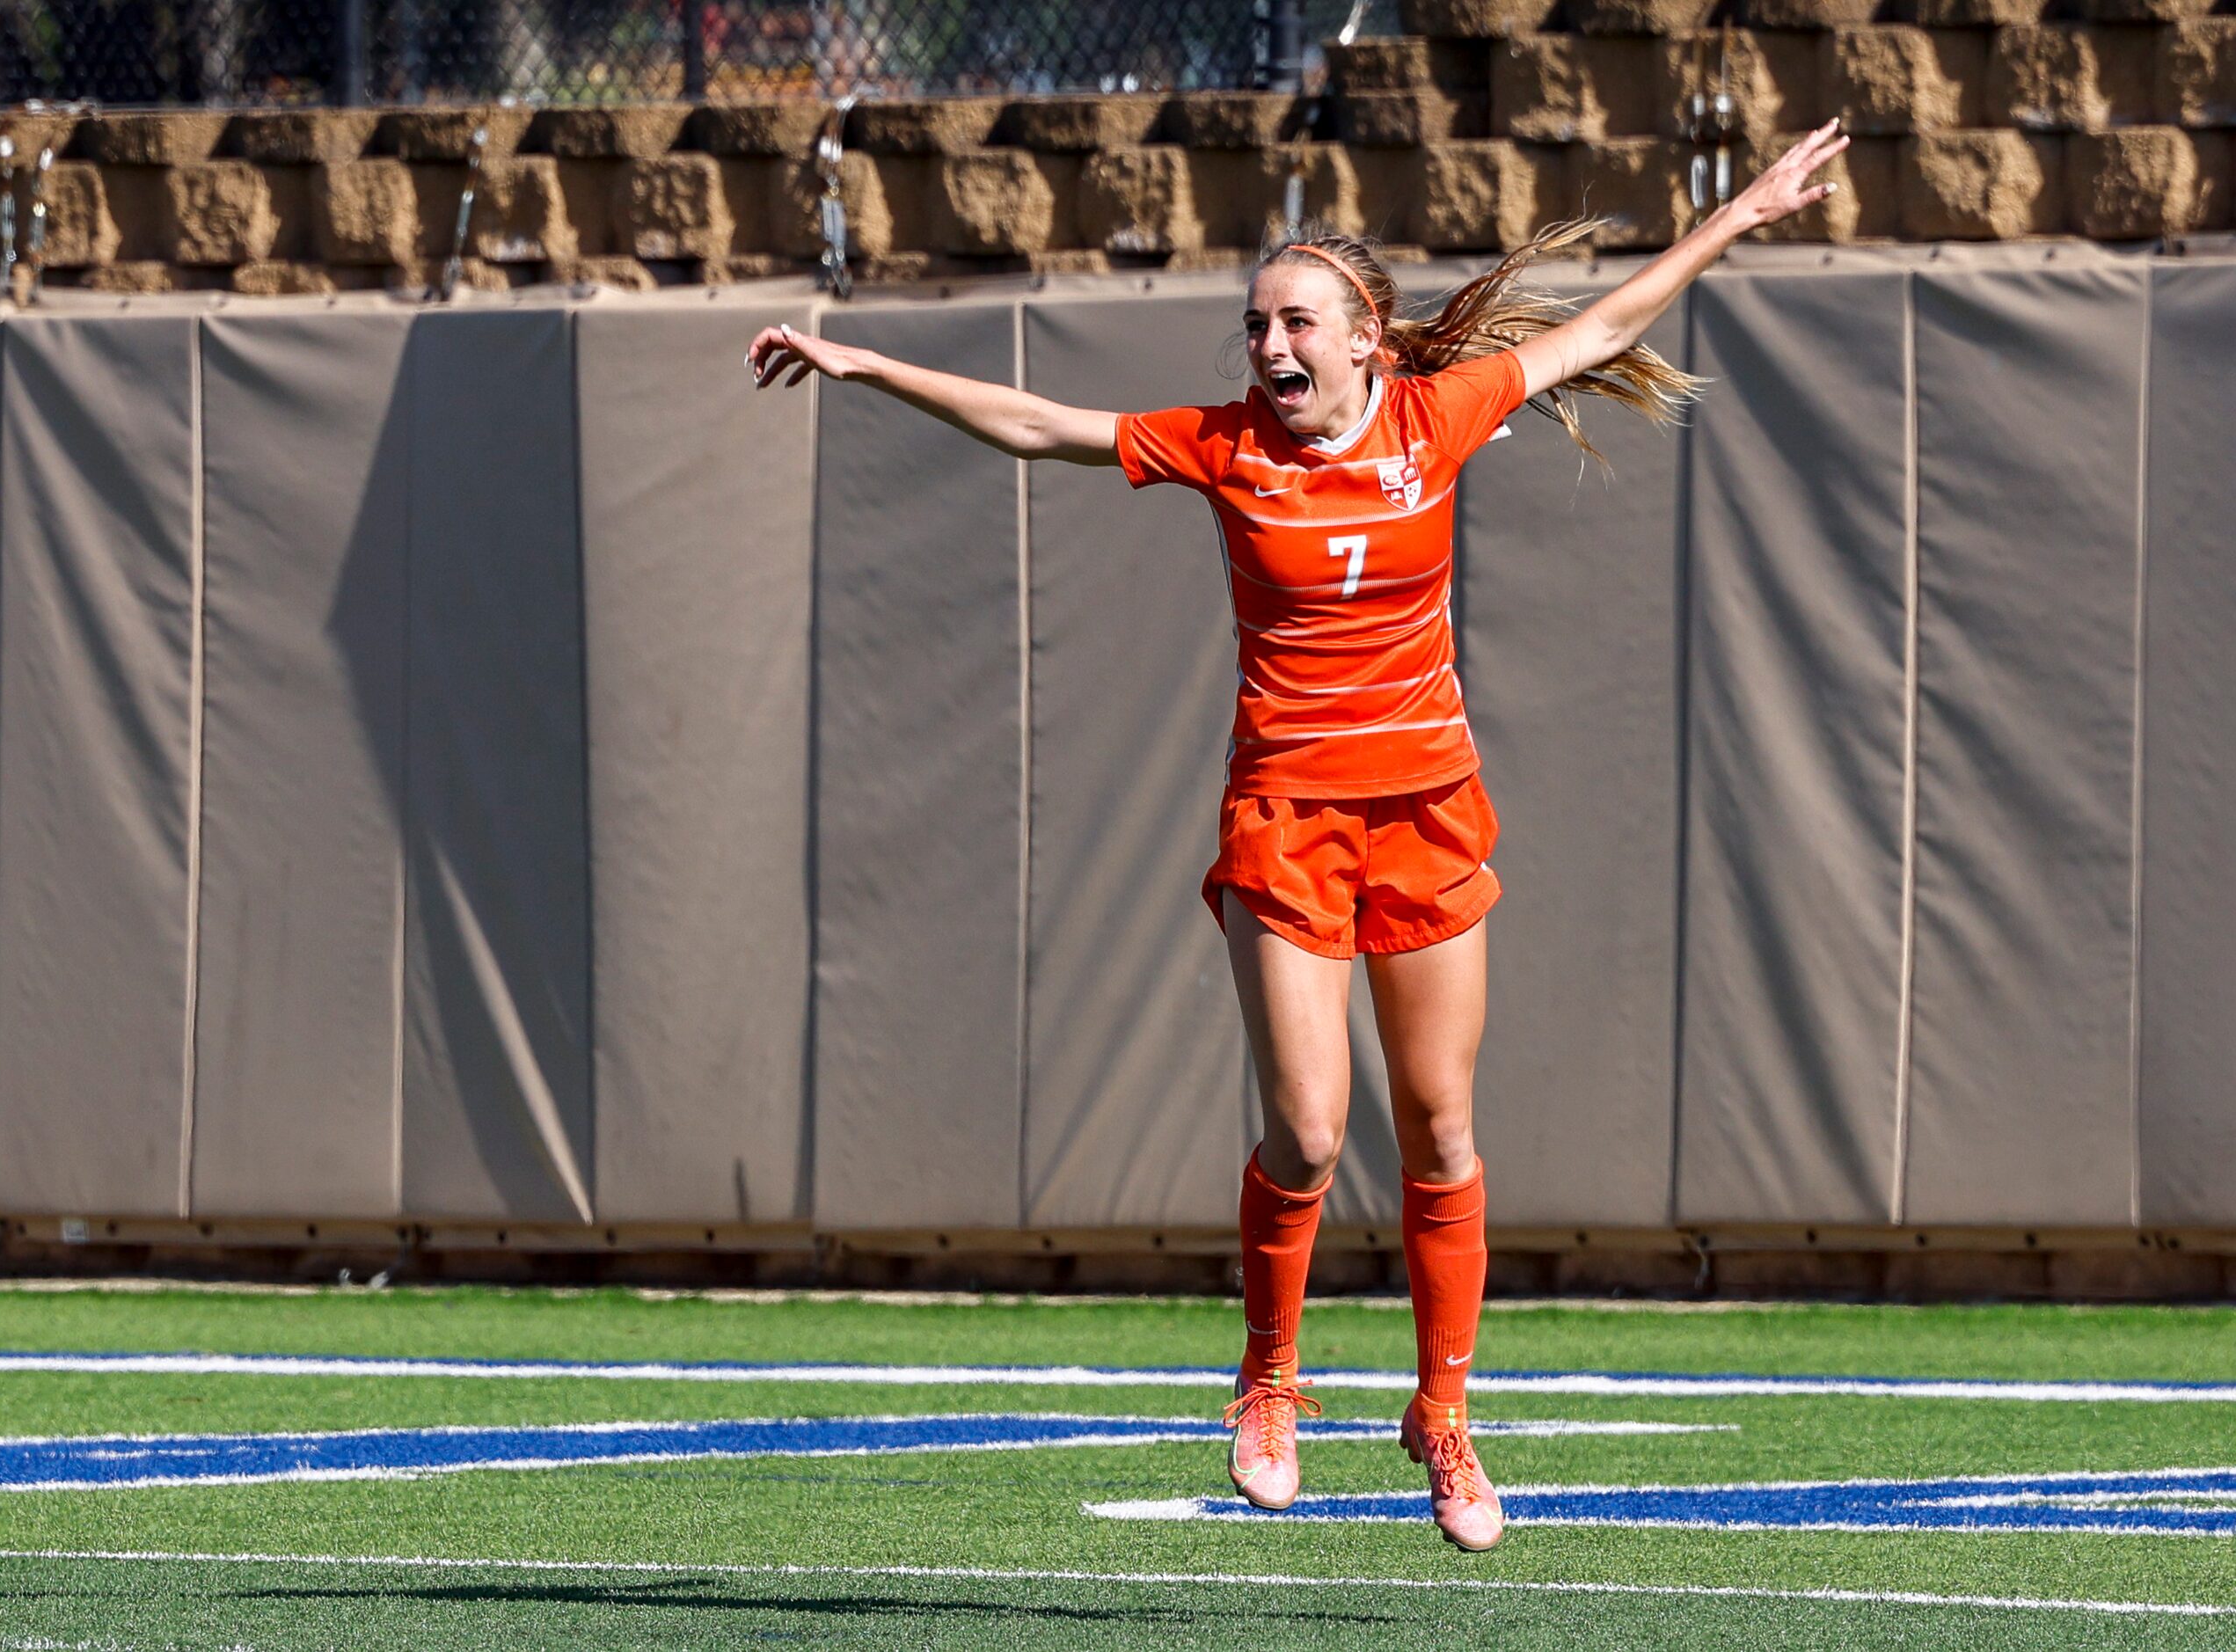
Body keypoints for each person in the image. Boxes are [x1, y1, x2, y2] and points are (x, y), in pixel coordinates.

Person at [746, 120, 1848, 1551]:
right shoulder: (1220, 448)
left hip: (1426, 811)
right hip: (1284, 817)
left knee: (1442, 1130)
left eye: (1294, 321)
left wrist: (1745, 210)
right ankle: (1268, 1381)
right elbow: (1041, 425)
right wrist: (870, 365)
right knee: (1312, 1127)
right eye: (1253, 323)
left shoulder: (1432, 418)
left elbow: (1610, 322)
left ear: (1363, 336)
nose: (1268, 345)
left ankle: (1442, 1417)